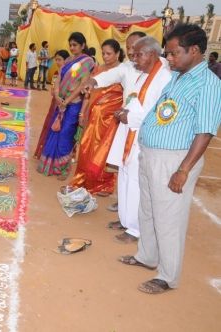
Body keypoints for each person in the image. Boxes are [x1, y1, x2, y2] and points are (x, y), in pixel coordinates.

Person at [120, 24, 221, 294]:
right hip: (151, 154)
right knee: (149, 210)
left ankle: (167, 276)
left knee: (169, 219)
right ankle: (147, 256)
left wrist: (183, 170)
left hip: (174, 160)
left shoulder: (208, 84)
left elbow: (205, 130)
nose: (170, 59)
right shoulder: (179, 76)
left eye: (175, 53)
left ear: (195, 51)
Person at [110, 37, 172, 243]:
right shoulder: (144, 75)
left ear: (152, 54)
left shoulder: (164, 77)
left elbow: (158, 111)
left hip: (144, 135)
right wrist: (124, 111)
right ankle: (125, 220)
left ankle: (136, 228)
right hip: (130, 131)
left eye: (139, 54)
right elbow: (135, 100)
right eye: (134, 54)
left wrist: (131, 116)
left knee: (136, 181)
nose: (134, 59)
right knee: (125, 176)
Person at [82, 31, 147, 223]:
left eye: (135, 47)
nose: (131, 51)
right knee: (125, 169)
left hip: (144, 128)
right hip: (127, 126)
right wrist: (93, 81)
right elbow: (109, 76)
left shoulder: (159, 68)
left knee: (137, 173)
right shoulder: (127, 67)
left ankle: (134, 220)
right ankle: (125, 212)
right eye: (128, 47)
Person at [37, 33, 95, 179]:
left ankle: (64, 168)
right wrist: (57, 95)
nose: (72, 47)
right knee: (55, 131)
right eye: (70, 45)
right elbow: (59, 78)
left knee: (66, 134)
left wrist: (67, 100)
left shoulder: (87, 62)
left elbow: (82, 84)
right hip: (60, 103)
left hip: (73, 104)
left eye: (75, 45)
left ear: (83, 45)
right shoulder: (68, 60)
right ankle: (51, 165)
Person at [71, 39, 125, 196]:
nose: (105, 56)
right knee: (87, 147)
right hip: (93, 116)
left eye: (109, 53)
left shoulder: (122, 72)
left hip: (109, 120)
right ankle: (84, 179)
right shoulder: (98, 70)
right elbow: (88, 94)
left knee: (104, 151)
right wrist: (83, 112)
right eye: (103, 53)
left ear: (118, 54)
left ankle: (103, 184)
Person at [34, 49, 69, 159]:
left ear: (66, 60)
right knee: (51, 125)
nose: (57, 62)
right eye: (56, 60)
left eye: (60, 60)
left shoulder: (69, 74)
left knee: (60, 127)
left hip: (64, 103)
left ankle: (57, 154)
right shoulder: (56, 73)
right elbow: (52, 91)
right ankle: (46, 151)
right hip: (54, 103)